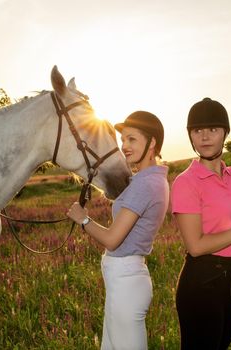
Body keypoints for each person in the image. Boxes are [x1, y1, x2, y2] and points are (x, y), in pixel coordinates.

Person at [171, 97, 231, 349]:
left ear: (225, 132)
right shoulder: (186, 182)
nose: (204, 137)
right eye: (197, 130)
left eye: (212, 129)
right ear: (190, 135)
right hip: (202, 283)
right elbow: (196, 246)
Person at [66, 111, 169, 350]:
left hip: (126, 282)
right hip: (123, 281)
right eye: (123, 140)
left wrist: (84, 220)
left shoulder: (146, 183)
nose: (125, 146)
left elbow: (112, 239)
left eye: (132, 139)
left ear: (152, 142)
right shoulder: (148, 179)